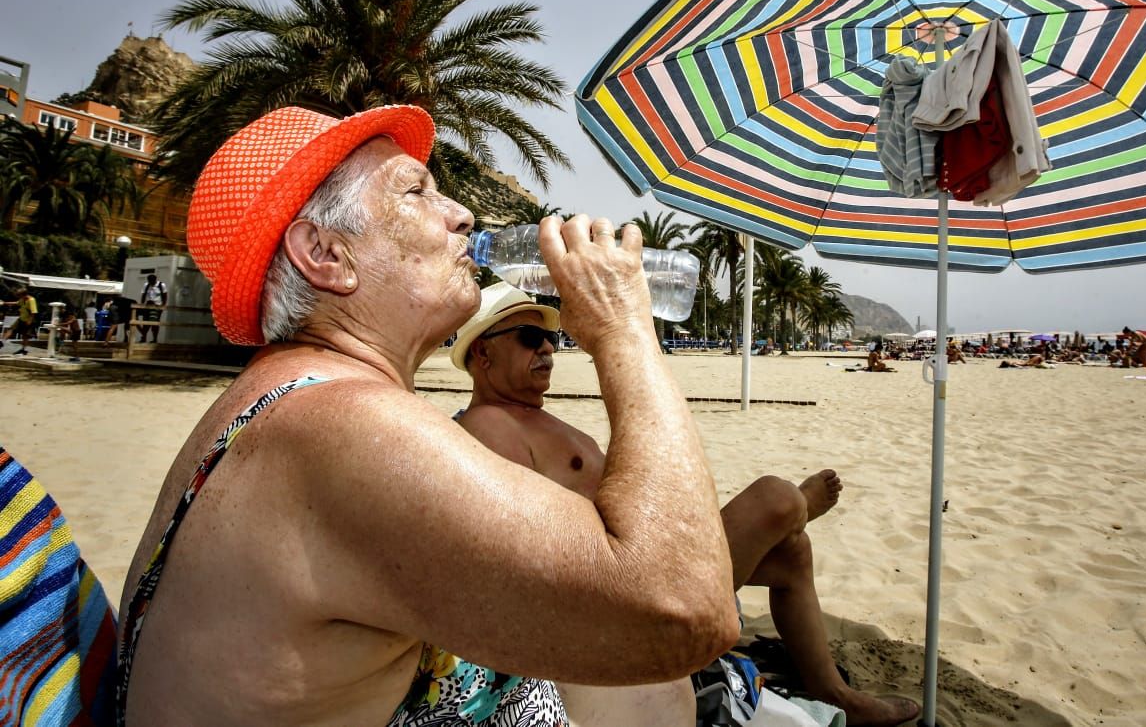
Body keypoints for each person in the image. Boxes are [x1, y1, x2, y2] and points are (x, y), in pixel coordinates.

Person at [118, 105, 738, 727]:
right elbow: (686, 606)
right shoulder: (342, 427)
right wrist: (625, 330)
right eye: (417, 191)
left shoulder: (281, 401)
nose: (462, 214)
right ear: (326, 254)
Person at [453, 284, 920, 727]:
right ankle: (797, 504)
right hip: (621, 596)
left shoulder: (531, 419)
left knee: (791, 555)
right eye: (531, 338)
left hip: (643, 563)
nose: (548, 350)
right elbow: (529, 552)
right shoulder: (489, 426)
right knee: (775, 497)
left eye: (551, 338)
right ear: (483, 352)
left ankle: (832, 693)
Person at [3, 288, 40, 355]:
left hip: (28, 320)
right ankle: (2, 342)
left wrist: (29, 321)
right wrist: (5, 303)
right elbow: (17, 303)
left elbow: (33, 312)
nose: (19, 297)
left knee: (25, 335)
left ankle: (23, 349)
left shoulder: (31, 300)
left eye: (19, 296)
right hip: (21, 319)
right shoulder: (22, 299)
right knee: (11, 329)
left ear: (24, 295)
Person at [136, 273, 168, 343]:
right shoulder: (146, 285)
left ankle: (155, 339)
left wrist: (163, 306)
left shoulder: (161, 285)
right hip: (148, 305)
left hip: (157, 306)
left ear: (155, 280)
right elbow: (143, 295)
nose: (151, 283)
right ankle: (143, 338)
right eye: (150, 281)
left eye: (152, 282)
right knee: (145, 322)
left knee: (155, 323)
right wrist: (142, 305)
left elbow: (165, 296)